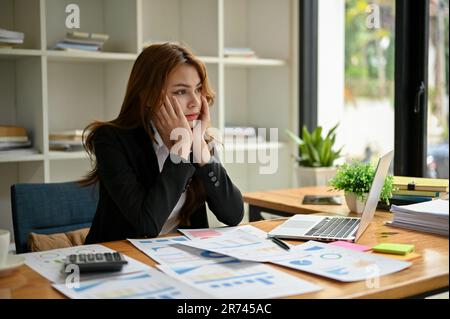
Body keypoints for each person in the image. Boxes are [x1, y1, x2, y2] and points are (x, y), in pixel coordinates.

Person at [80, 43, 244, 244]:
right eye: (181, 92)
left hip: (180, 257)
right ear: (149, 96)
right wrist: (179, 151)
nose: (195, 102)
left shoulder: (197, 137)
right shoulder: (111, 140)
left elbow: (233, 215)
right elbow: (146, 226)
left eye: (198, 89)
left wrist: (200, 150)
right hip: (121, 258)